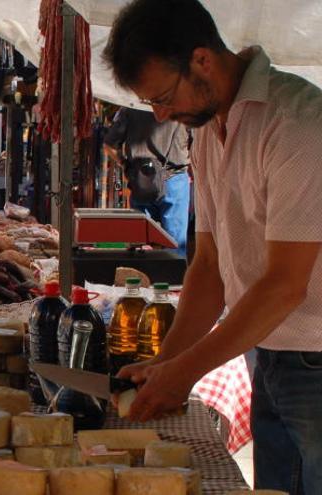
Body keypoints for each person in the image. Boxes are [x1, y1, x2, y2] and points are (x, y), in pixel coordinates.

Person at [103, 0, 322, 492]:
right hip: (269, 352)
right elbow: (210, 266)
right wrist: (165, 363)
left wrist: (186, 372)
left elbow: (286, 285)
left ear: (202, 60)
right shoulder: (209, 132)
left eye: (162, 97)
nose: (160, 114)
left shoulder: (299, 124)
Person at [103, 108, 191, 257]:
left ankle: (142, 277)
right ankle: (174, 278)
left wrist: (124, 164)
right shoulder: (181, 104)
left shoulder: (130, 107)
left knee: (140, 245)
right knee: (175, 248)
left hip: (142, 179)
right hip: (174, 181)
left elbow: (108, 146)